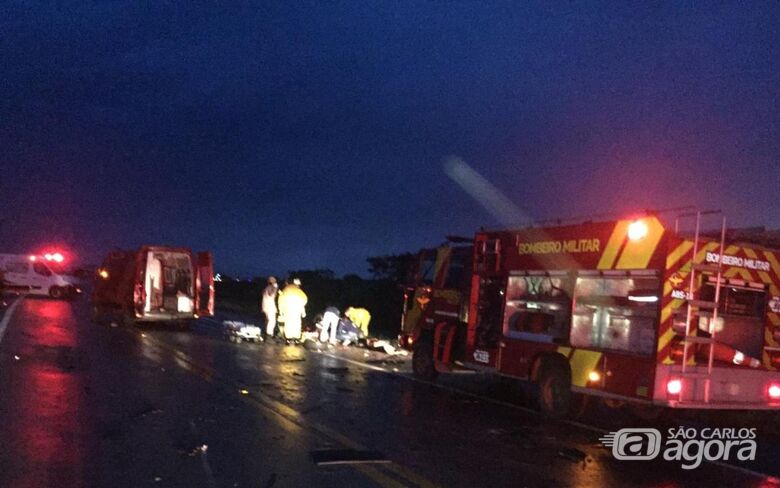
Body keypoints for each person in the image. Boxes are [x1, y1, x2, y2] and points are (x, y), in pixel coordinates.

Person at [277, 278, 307, 343]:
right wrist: (303, 313)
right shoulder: (299, 291)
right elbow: (303, 301)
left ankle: (289, 338)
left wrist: (281, 311)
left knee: (289, 322)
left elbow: (281, 299)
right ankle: (296, 338)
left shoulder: (287, 289)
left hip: (288, 307)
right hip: (296, 307)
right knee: (297, 322)